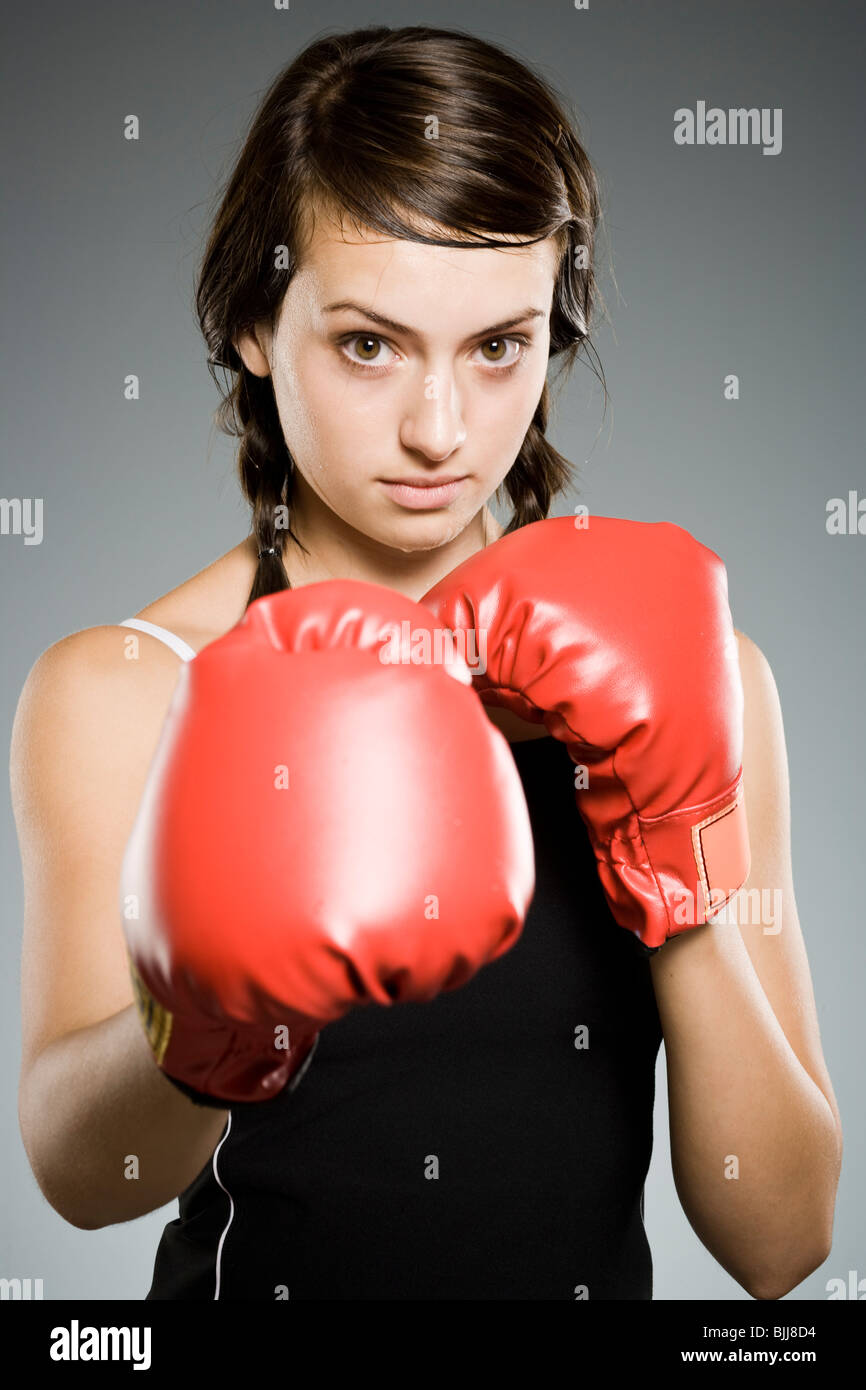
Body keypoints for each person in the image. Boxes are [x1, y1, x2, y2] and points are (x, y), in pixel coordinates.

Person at [11, 24, 841, 1301]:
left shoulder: (702, 676)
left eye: (497, 345)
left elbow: (780, 1244)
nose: (439, 429)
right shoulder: (131, 684)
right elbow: (85, 1179)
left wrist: (667, 866)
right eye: (368, 343)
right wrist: (212, 1010)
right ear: (252, 323)